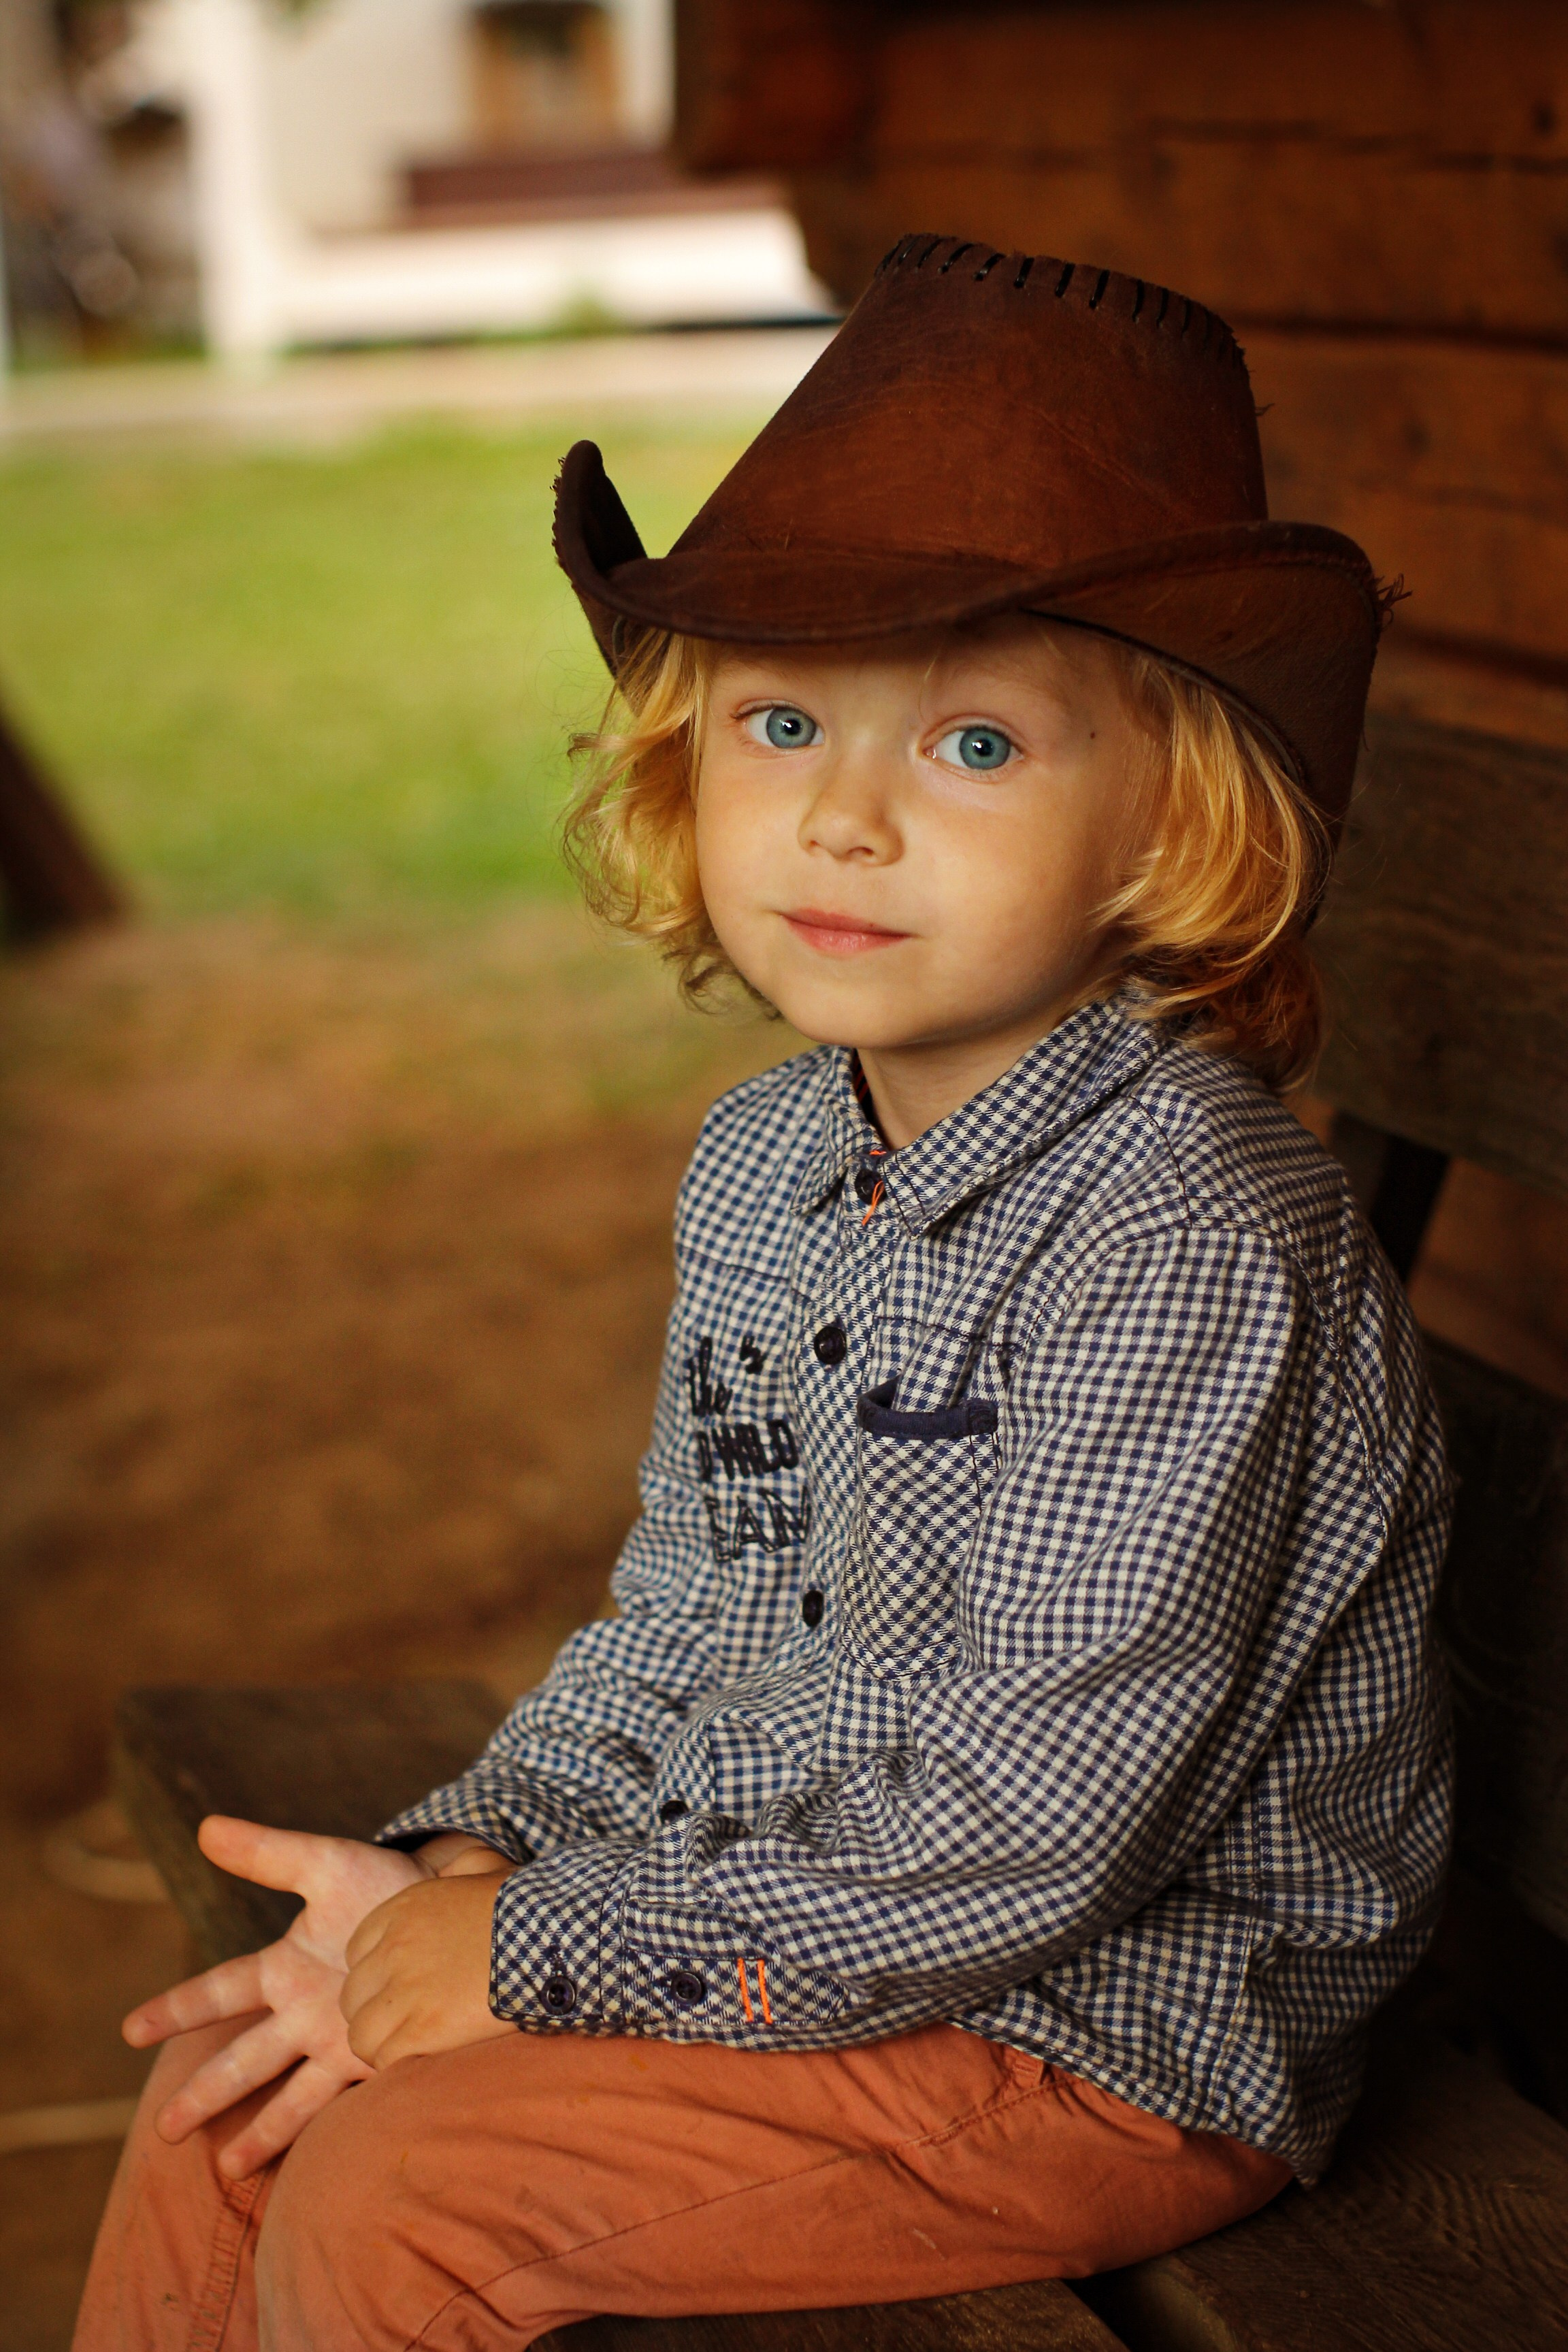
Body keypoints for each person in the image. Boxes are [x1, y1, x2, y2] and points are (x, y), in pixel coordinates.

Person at [76, 235, 1453, 2351]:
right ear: (681, 769)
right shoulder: (768, 1165)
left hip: (1110, 2028)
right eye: (782, 721)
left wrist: (533, 1962)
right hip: (794, 1926)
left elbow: (1032, 1831)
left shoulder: (1189, 1240)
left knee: (401, 2200)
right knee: (234, 2098)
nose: (845, 816)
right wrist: (462, 1879)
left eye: (977, 746)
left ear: (1166, 821)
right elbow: (705, 1609)